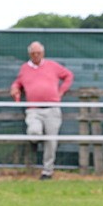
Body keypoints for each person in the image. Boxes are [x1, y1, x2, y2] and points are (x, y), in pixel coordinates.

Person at [10, 40, 74, 181]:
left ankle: (47, 172)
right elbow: (18, 82)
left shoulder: (52, 65)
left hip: (52, 108)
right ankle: (35, 140)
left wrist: (61, 91)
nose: (36, 55)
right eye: (33, 53)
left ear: (43, 53)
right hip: (34, 109)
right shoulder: (24, 68)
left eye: (38, 53)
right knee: (34, 132)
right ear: (29, 54)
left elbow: (68, 76)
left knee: (51, 142)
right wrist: (15, 87)